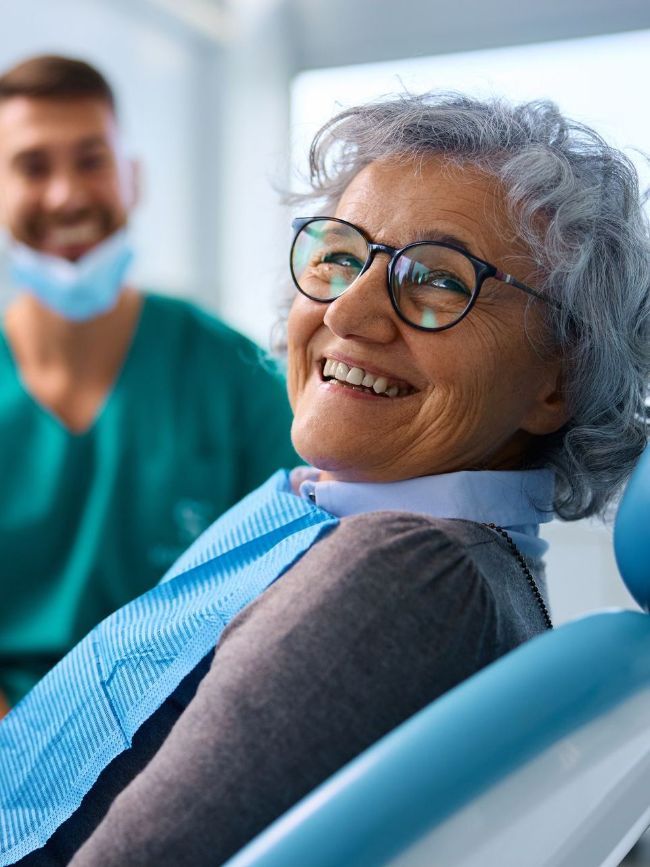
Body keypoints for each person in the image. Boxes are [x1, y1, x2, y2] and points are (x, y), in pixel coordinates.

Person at [1, 92, 648, 866]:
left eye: (439, 279)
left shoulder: (409, 573)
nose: (349, 312)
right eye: (341, 256)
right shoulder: (352, 525)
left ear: (558, 380)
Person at [0, 54, 297, 713]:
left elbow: (298, 592)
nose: (66, 195)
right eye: (32, 166)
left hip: (188, 739)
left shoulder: (232, 378)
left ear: (132, 179)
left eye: (91, 160)